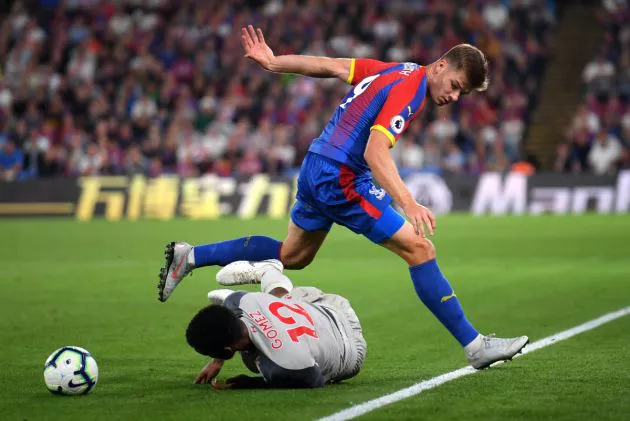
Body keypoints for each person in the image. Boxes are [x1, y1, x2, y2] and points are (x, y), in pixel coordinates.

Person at [159, 26, 528, 370]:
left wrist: (274, 62)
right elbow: (376, 152)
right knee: (421, 250)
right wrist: (408, 202)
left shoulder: (398, 70)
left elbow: (330, 66)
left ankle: (190, 257)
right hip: (342, 177)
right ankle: (476, 347)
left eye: (461, 93)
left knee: (293, 256)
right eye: (455, 85)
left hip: (316, 164)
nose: (453, 95)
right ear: (442, 64)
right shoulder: (410, 92)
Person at [187, 260, 366, 389]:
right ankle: (268, 272)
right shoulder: (238, 301)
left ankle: (269, 272)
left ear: (227, 350)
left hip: (350, 350)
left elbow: (314, 380)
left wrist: (251, 383)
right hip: (327, 305)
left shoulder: (282, 367)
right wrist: (216, 361)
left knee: (254, 361)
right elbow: (226, 313)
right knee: (281, 300)